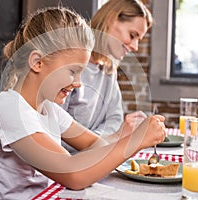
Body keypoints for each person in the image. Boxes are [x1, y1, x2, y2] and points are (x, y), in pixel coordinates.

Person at [0, 6, 166, 200]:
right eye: (73, 71)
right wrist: (135, 141)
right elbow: (73, 174)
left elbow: (95, 143)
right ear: (38, 62)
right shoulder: (11, 110)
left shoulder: (50, 109)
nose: (79, 83)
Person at [62, 0, 153, 137]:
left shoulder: (108, 68)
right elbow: (56, 130)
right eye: (132, 35)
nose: (135, 47)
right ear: (111, 19)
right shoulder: (69, 63)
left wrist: (96, 142)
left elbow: (115, 119)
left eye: (138, 40)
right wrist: (99, 142)